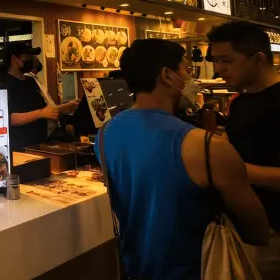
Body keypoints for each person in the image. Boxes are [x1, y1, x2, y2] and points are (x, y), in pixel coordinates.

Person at [100, 39, 269, 280]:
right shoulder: (207, 147)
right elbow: (257, 232)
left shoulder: (106, 133)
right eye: (186, 71)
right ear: (167, 76)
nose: (191, 80)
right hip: (198, 271)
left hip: (136, 268)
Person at [208, 22, 280, 273]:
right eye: (215, 60)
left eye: (226, 60)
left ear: (259, 58)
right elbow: (230, 145)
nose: (219, 69)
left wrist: (234, 170)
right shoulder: (240, 102)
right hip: (242, 225)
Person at [0, 44, 78, 151]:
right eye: (27, 56)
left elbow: (43, 109)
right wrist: (40, 113)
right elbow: (9, 118)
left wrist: (64, 108)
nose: (31, 60)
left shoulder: (30, 81)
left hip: (40, 143)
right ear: (14, 59)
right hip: (21, 147)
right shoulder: (3, 85)